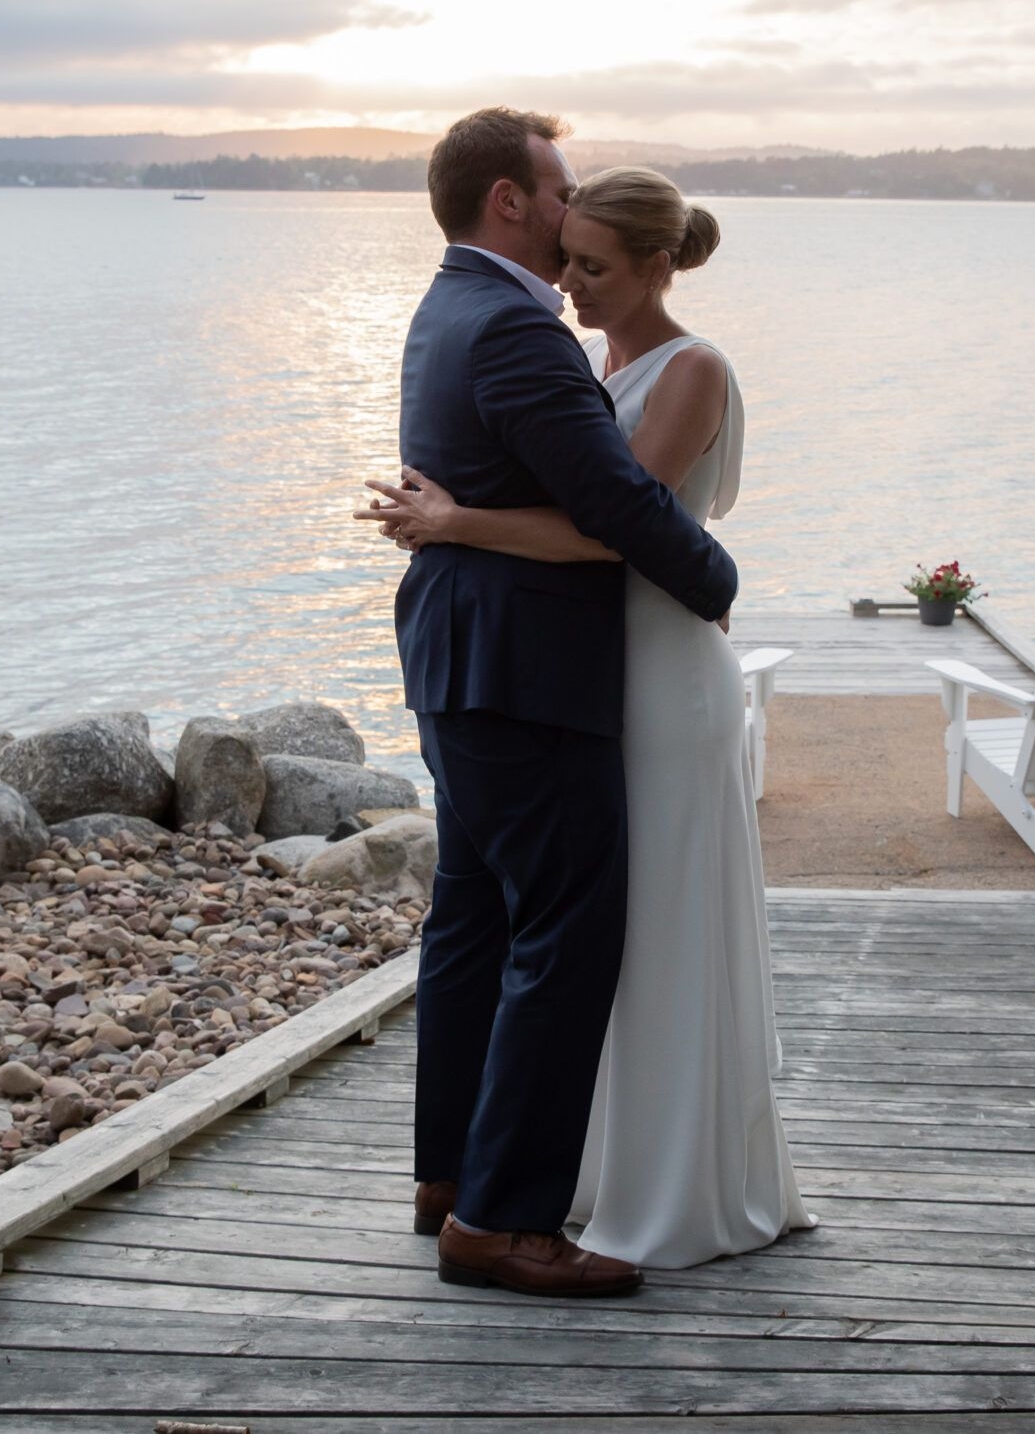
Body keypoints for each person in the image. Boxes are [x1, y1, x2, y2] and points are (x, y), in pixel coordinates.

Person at [364, 164, 813, 1269]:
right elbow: (585, 509)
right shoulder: (558, 345)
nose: (569, 281)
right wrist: (461, 520)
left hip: (653, 675)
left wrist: (458, 521)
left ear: (659, 266)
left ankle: (608, 1178)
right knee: (562, 924)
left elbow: (614, 525)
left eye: (594, 266)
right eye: (565, 257)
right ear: (510, 199)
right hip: (565, 673)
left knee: (628, 923)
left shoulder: (684, 365)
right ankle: (504, 1191)